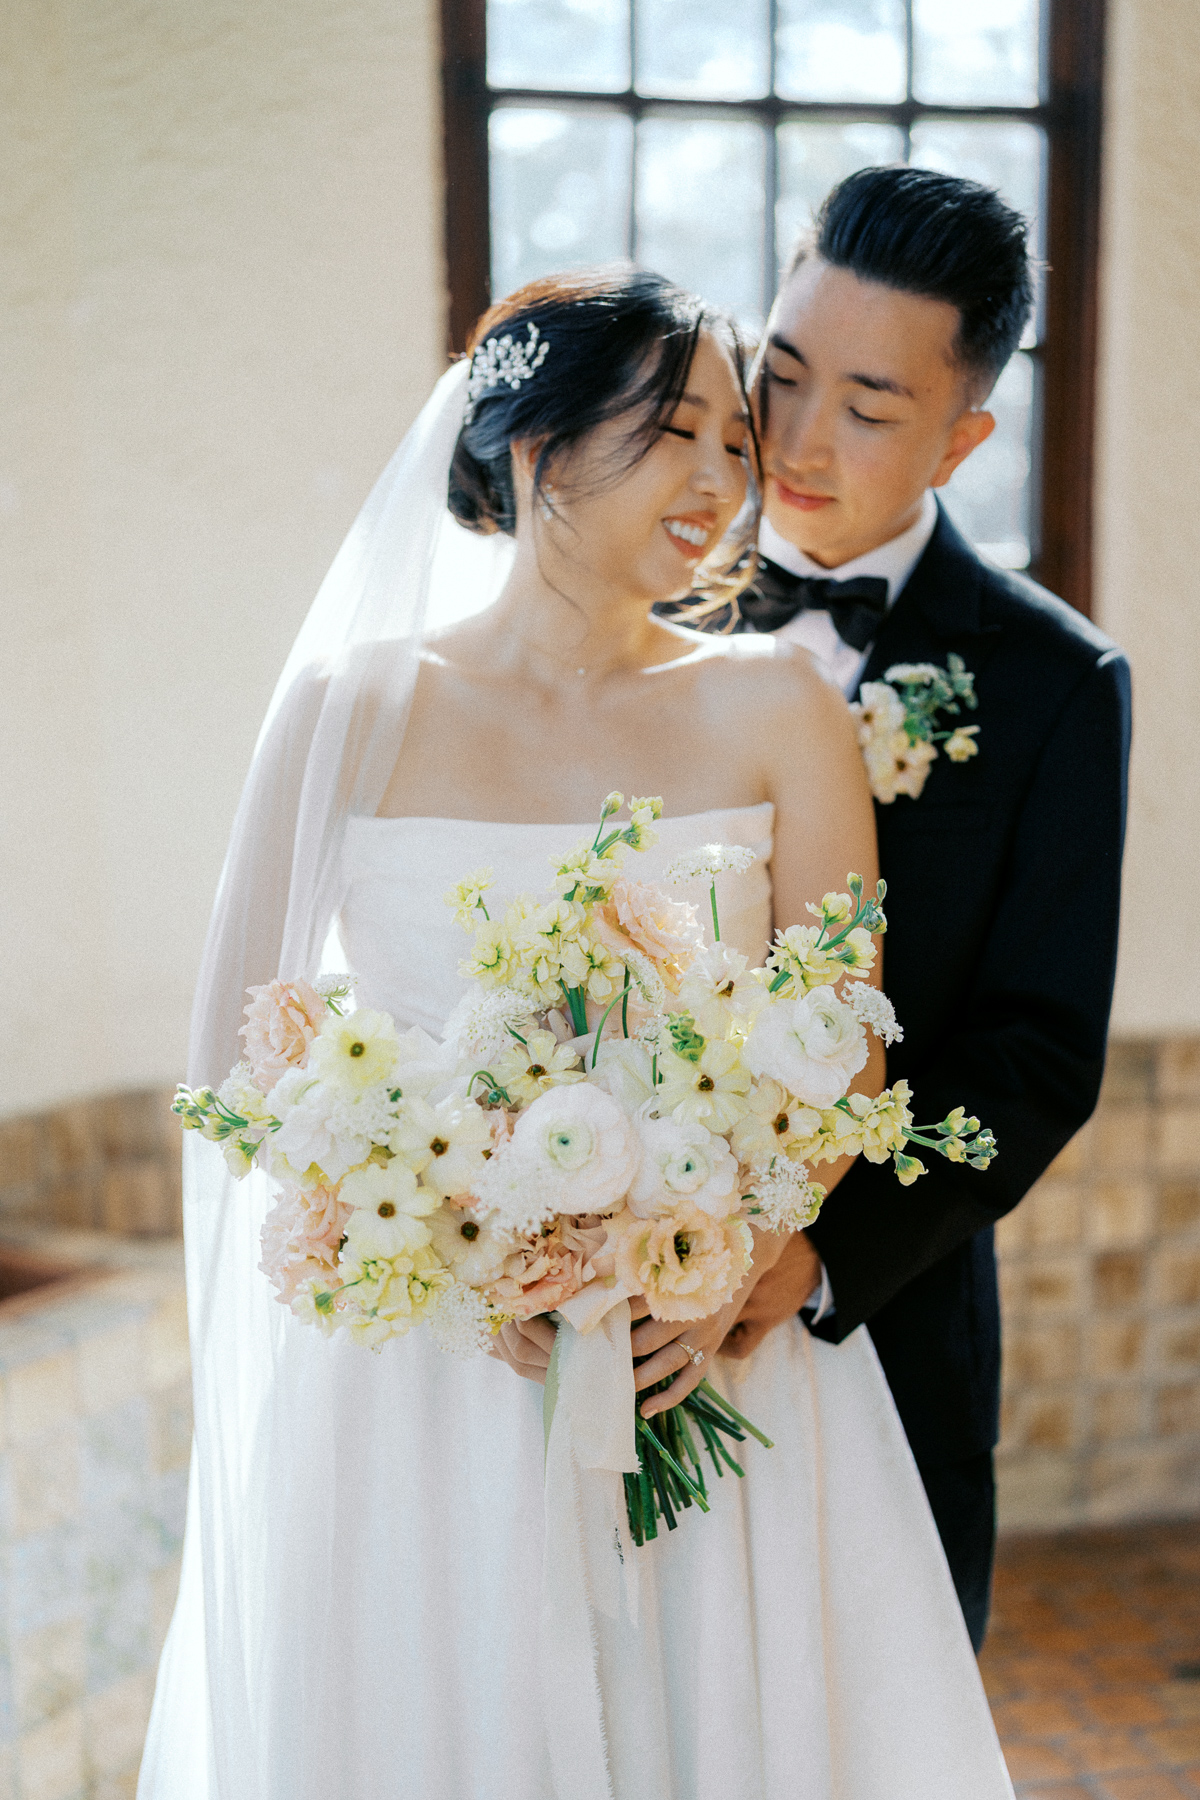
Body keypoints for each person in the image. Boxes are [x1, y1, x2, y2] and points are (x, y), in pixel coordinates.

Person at [138, 268, 1015, 1799]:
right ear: (538, 448)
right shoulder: (352, 707)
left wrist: (727, 1244)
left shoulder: (781, 706)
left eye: (736, 442)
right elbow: (238, 1067)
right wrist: (457, 1257)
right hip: (429, 1392)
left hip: (705, 1358)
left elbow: (844, 1057)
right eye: (676, 431)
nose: (724, 480)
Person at [720, 166, 1132, 1651]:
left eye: (870, 407)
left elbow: (1035, 1051)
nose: (797, 439)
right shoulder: (637, 617)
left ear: (964, 437)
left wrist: (817, 1258)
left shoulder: (1054, 684)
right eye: (780, 374)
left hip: (880, 1324)